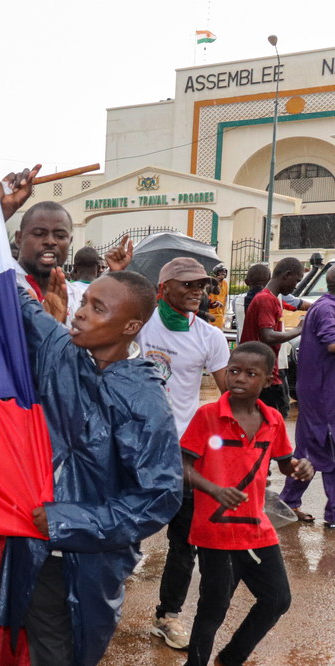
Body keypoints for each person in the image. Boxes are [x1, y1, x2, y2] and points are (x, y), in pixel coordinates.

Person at [0, 269, 183, 666]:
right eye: (84, 302)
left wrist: (68, 520)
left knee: (79, 649)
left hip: (94, 560)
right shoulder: (63, 351)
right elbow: (19, 304)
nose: (80, 313)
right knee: (49, 649)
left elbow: (159, 496)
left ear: (130, 326)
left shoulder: (146, 401)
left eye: (97, 308)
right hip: (37, 548)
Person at [181, 342, 313, 666]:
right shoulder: (208, 415)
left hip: (256, 528)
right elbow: (181, 466)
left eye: (250, 373)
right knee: (214, 608)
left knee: (277, 599)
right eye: (234, 370)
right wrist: (213, 488)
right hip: (215, 530)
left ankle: (231, 658)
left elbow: (284, 464)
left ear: (269, 380)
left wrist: (300, 466)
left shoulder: (272, 420)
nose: (238, 377)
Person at [136, 257, 230, 651]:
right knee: (122, 531)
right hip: (137, 448)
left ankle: (167, 615)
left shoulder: (210, 337)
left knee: (182, 540)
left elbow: (230, 397)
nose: (197, 291)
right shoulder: (140, 325)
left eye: (202, 285)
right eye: (188, 284)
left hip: (182, 455)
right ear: (163, 289)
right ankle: (96, 603)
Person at [279, 265, 335, 527]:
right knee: (313, 447)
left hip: (325, 390)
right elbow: (332, 343)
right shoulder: (326, 308)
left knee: (324, 449)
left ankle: (328, 511)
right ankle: (289, 502)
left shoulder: (325, 305)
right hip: (321, 392)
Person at [239, 258, 304, 420]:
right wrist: (299, 329)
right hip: (265, 377)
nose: (296, 286)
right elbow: (267, 336)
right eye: (296, 280)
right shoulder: (266, 300)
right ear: (287, 275)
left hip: (266, 374)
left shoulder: (270, 299)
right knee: (273, 427)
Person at [206, 264, 228, 328]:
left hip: (220, 314)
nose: (223, 273)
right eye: (221, 272)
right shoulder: (211, 281)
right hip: (211, 313)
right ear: (216, 272)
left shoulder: (225, 283)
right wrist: (216, 282)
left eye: (224, 272)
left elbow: (225, 298)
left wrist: (224, 313)